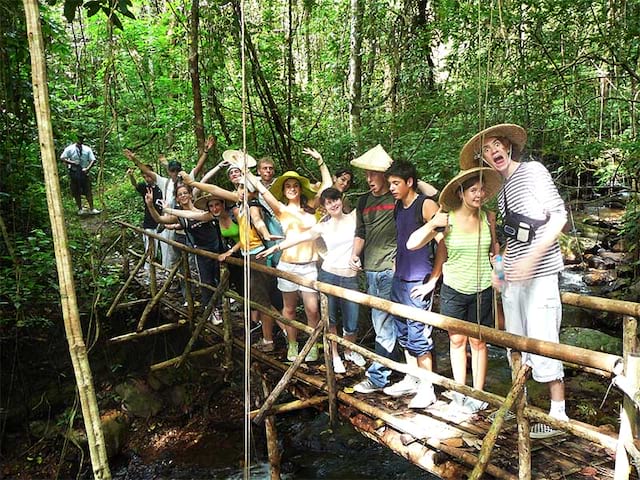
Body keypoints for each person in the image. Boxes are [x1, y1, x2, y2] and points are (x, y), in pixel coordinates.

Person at [460, 123, 569, 438]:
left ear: (507, 146)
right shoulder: (503, 190)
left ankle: (557, 416)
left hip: (541, 274)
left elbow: (559, 216)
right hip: (514, 280)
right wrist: (501, 268)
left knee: (544, 339)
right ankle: (518, 404)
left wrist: (532, 260)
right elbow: (514, 236)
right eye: (485, 150)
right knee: (514, 341)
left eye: (496, 145)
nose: (492, 152)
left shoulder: (533, 172)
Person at [408, 167, 502, 414]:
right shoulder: (446, 219)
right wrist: (432, 226)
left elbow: (495, 250)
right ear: (461, 193)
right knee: (457, 340)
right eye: (473, 190)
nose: (479, 195)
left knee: (479, 343)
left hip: (482, 289)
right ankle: (461, 392)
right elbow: (413, 244)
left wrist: (500, 276)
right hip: (454, 288)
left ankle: (478, 394)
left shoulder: (487, 217)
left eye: (482, 190)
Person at [258, 187, 366, 373]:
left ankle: (350, 351)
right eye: (328, 202)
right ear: (323, 207)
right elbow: (299, 238)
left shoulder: (355, 218)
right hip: (328, 274)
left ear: (342, 200)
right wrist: (276, 248)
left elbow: (366, 233)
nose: (334, 204)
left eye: (336, 200)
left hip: (349, 277)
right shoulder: (323, 225)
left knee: (351, 320)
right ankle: (334, 355)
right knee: (330, 318)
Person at [381, 160, 444, 409]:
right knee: (403, 331)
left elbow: (442, 244)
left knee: (419, 334)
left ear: (409, 182)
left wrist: (433, 281)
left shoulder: (426, 205)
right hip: (401, 276)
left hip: (419, 279)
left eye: (396, 183)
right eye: (390, 184)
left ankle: (427, 388)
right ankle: (412, 377)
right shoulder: (399, 205)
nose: (392, 188)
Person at [245, 169, 320, 362]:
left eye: (295, 186)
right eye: (288, 186)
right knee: (289, 309)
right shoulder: (281, 210)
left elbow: (328, 186)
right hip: (288, 265)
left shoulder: (311, 208)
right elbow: (264, 192)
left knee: (312, 309)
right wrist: (247, 172)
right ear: (284, 190)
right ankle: (293, 344)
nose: (292, 189)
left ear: (301, 189)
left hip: (309, 265)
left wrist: (320, 162)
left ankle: (312, 345)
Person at [145, 183, 225, 324]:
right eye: (180, 194)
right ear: (177, 198)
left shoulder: (202, 209)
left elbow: (200, 216)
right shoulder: (180, 217)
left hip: (217, 249)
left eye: (185, 193)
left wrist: (169, 209)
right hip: (201, 251)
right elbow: (160, 220)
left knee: (219, 279)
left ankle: (219, 306)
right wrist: (151, 205)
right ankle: (212, 309)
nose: (183, 196)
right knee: (206, 281)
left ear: (190, 195)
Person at [127, 166, 163, 279]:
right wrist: (131, 176)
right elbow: (136, 185)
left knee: (164, 249)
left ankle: (165, 271)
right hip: (149, 223)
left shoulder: (161, 186)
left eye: (148, 175)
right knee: (150, 248)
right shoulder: (145, 188)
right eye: (145, 176)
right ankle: (148, 273)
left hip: (163, 222)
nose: (147, 178)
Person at [60, 136, 100, 215]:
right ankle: (80, 209)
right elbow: (62, 158)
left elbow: (93, 160)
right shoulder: (69, 149)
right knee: (76, 191)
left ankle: (92, 208)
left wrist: (88, 168)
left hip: (84, 172)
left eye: (81, 139)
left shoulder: (87, 149)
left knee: (88, 190)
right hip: (74, 172)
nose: (80, 141)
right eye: (78, 139)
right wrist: (72, 162)